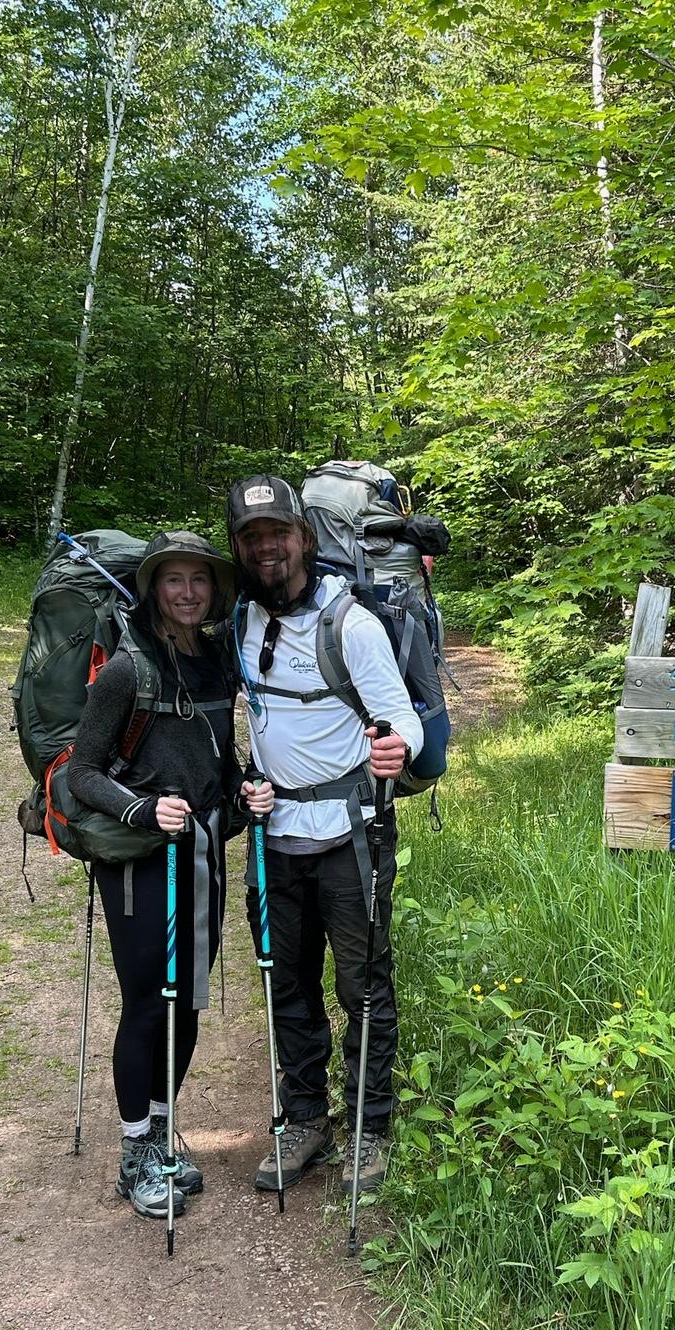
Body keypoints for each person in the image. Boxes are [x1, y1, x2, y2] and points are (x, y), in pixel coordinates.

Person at [224, 475, 421, 1197]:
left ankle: (370, 1128)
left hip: (352, 832)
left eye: (278, 532)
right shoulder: (239, 620)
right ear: (240, 551)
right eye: (252, 538)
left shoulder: (351, 623)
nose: (267, 547)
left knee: (363, 986)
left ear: (304, 538)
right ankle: (306, 1119)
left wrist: (394, 749)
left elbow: (403, 718)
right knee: (288, 986)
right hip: (275, 836)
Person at [68, 530, 243, 1218]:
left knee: (188, 1000)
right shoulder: (126, 671)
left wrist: (244, 794)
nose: (189, 593)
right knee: (148, 1001)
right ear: (151, 587)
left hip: (201, 851)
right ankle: (135, 1151)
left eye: (199, 579)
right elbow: (83, 773)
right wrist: (142, 809)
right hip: (141, 863)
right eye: (174, 580)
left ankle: (164, 1130)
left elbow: (218, 762)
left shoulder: (219, 662)